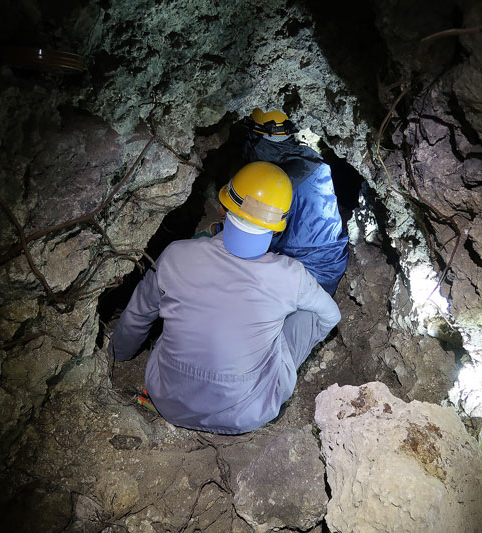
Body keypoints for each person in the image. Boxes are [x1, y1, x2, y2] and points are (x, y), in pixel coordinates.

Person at [111, 161, 341, 434]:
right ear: (279, 226)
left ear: (222, 207)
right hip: (246, 414)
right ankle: (269, 372)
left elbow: (138, 313)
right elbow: (331, 315)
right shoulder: (291, 276)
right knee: (304, 312)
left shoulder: (176, 255)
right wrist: (279, 348)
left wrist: (118, 355)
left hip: (169, 399)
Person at [241, 108, 349, 295]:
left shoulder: (272, 180)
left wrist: (218, 231)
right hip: (332, 264)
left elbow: (257, 238)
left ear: (255, 135)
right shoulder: (312, 160)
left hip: (304, 277)